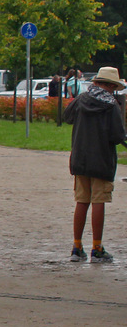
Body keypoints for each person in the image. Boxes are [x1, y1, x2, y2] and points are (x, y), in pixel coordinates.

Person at [62, 66, 127, 262]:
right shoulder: (111, 105)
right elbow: (117, 135)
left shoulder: (81, 99)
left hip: (80, 159)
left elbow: (67, 117)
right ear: (109, 86)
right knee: (99, 201)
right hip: (102, 160)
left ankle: (76, 246)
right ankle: (97, 248)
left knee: (81, 201)